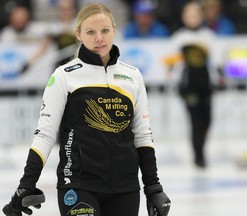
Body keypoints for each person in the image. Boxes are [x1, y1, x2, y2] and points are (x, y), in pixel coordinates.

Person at [2, 2, 171, 216]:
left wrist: (153, 187)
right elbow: (44, 134)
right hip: (78, 185)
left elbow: (143, 136)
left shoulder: (132, 76)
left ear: (114, 31)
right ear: (78, 34)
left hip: (125, 188)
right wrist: (27, 182)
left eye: (105, 30)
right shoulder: (64, 76)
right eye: (91, 32)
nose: (99, 38)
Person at [168, 1, 217, 168]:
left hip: (205, 83)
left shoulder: (208, 36)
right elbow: (172, 63)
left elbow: (216, 61)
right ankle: (199, 156)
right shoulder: (179, 37)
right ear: (184, 17)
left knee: (208, 120)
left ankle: (201, 151)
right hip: (188, 85)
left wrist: (220, 77)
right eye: (189, 15)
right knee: (195, 120)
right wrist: (172, 78)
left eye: (195, 15)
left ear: (201, 17)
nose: (192, 18)